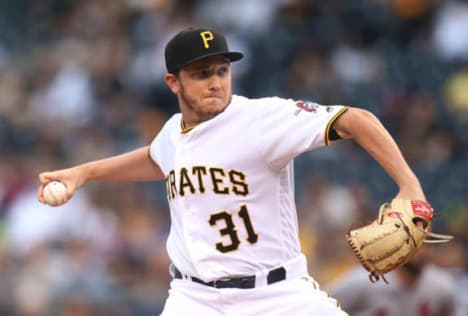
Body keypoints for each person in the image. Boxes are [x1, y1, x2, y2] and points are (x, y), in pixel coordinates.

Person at [38, 27, 430, 316]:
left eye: (221, 71)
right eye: (201, 73)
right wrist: (84, 173)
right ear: (173, 82)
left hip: (277, 295)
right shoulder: (172, 133)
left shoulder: (261, 119)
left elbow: (355, 120)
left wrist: (409, 186)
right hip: (194, 299)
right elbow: (157, 159)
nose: (215, 82)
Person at [328, 247, 459, 316]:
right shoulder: (364, 281)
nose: (423, 252)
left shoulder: (441, 286)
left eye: (427, 244)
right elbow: (320, 306)